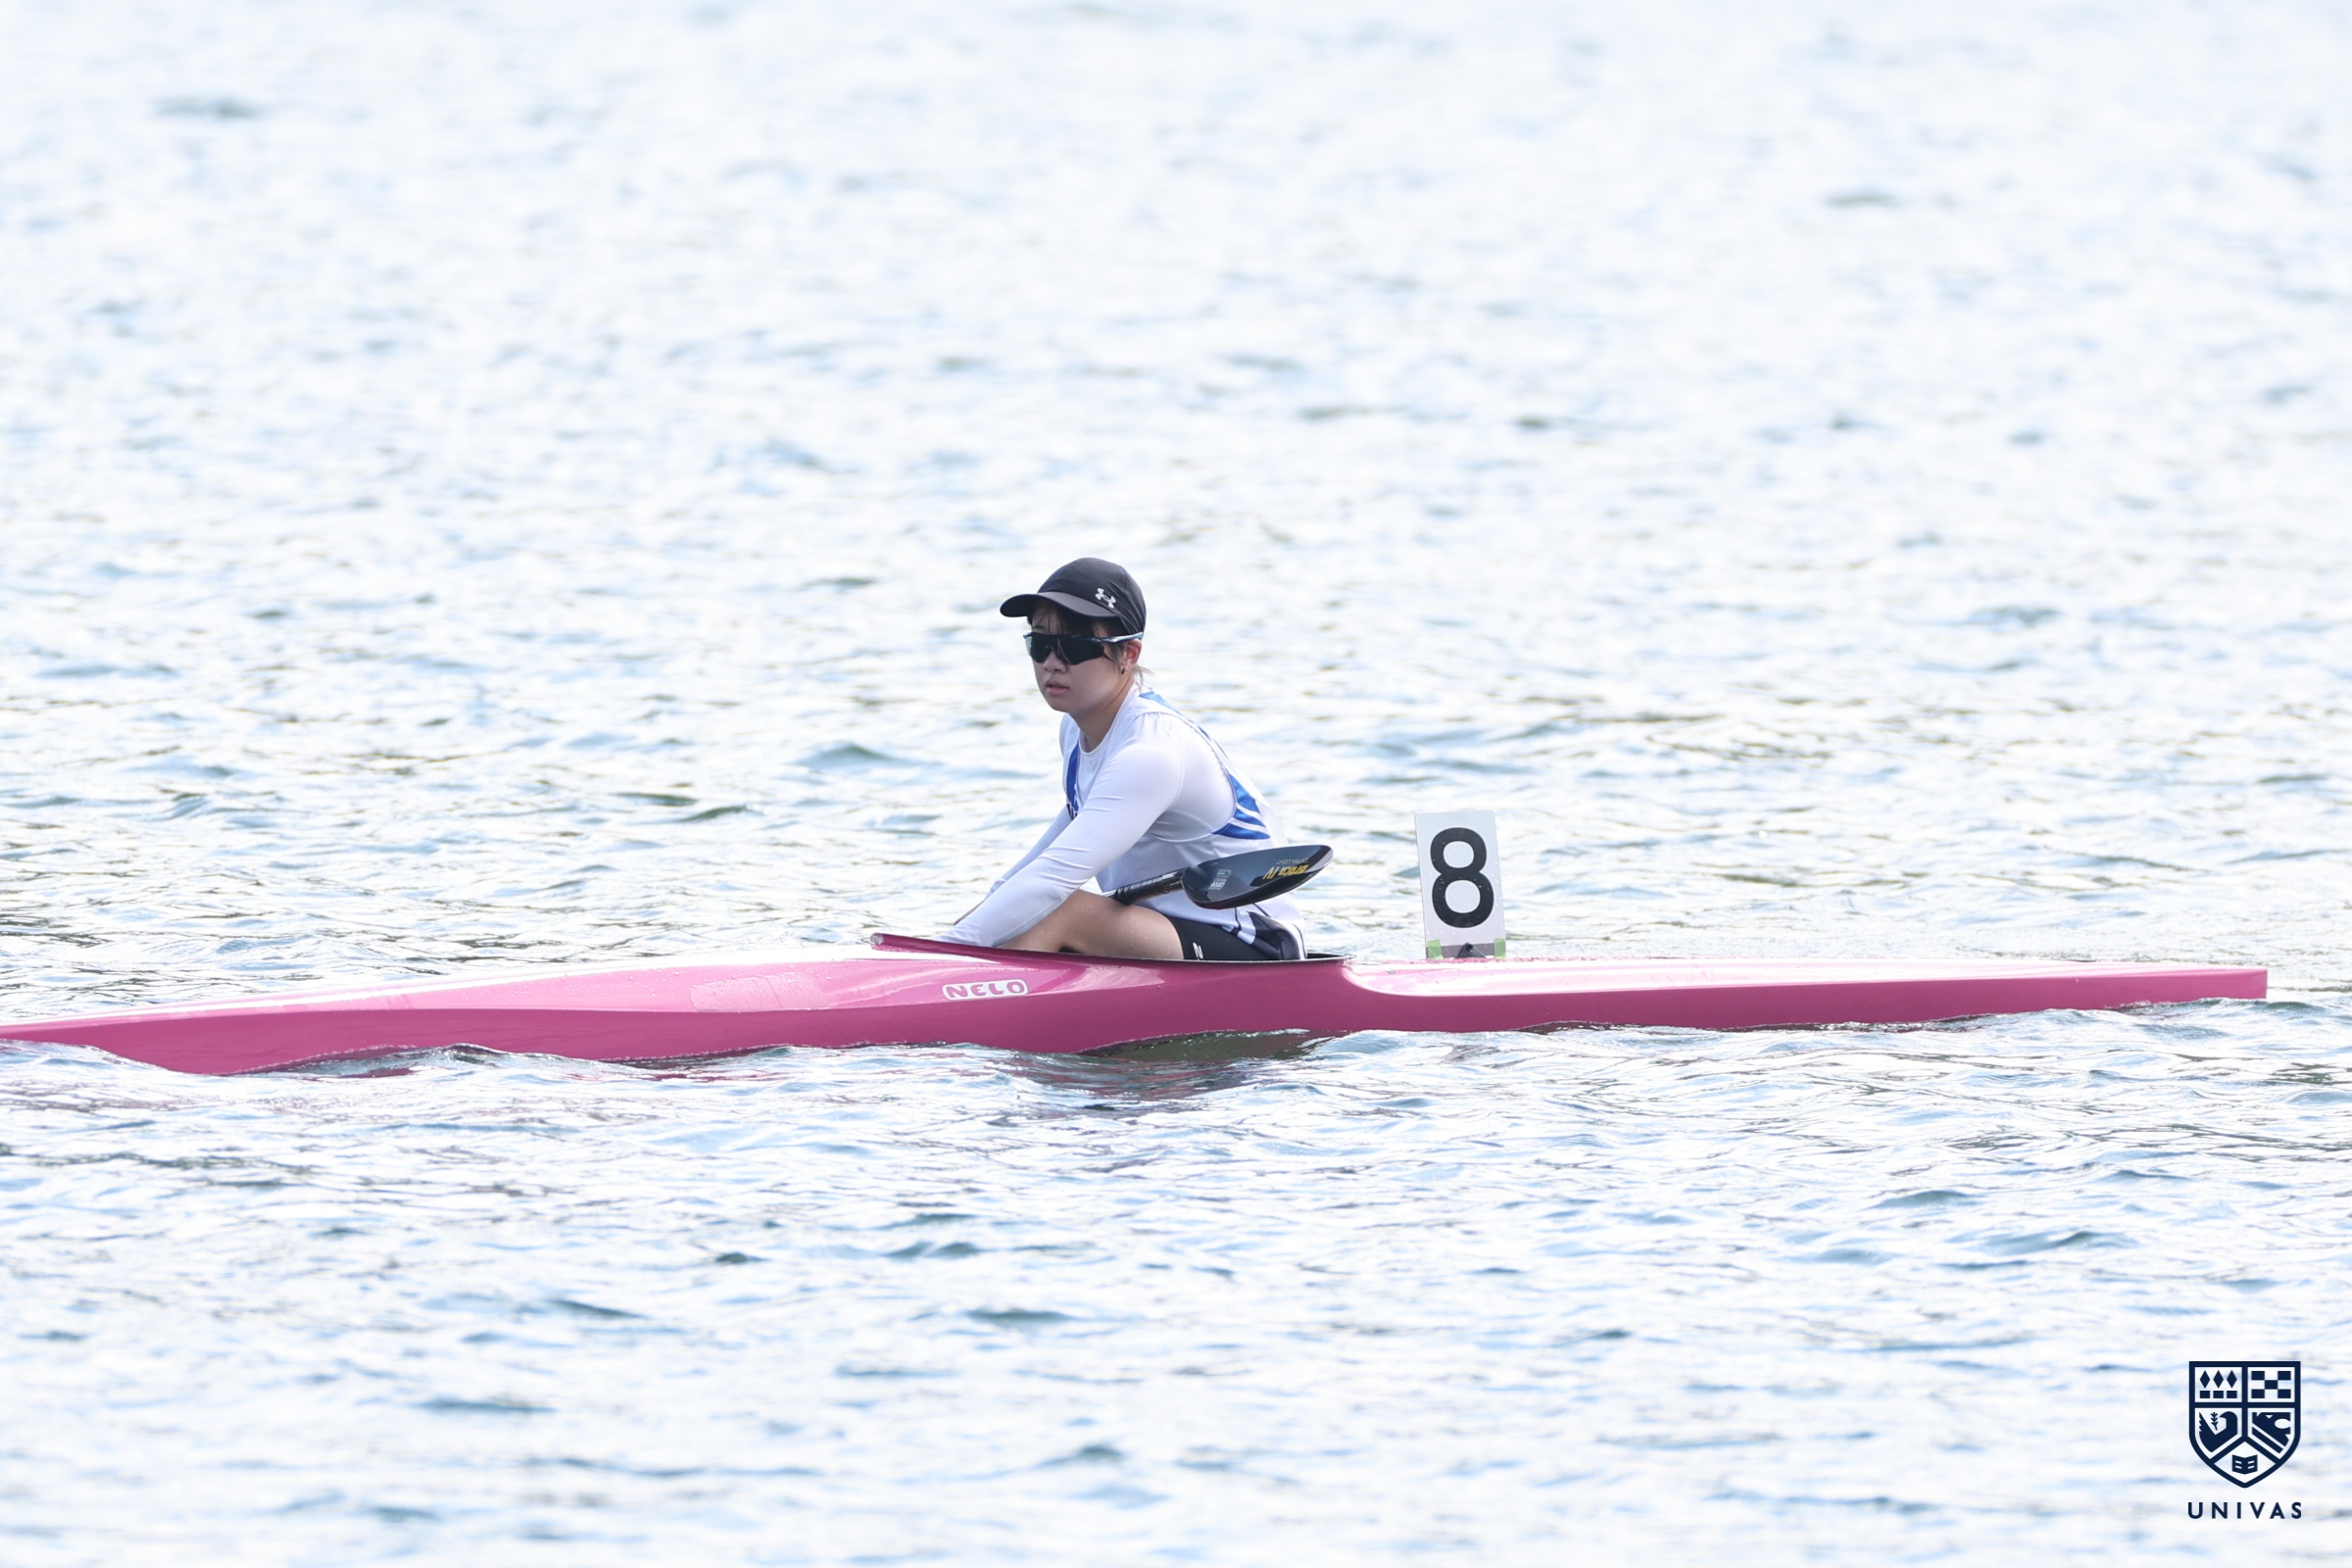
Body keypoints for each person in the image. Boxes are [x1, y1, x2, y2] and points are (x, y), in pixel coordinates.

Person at [940, 558, 1305, 961]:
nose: (1051, 663)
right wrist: (953, 935)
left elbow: (1053, 878)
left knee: (1056, 909)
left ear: (1128, 654)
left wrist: (945, 957)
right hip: (1165, 930)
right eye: (1040, 643)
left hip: (1256, 946)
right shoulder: (1075, 732)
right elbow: (1038, 866)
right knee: (999, 912)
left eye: (1074, 646)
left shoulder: (1151, 752)